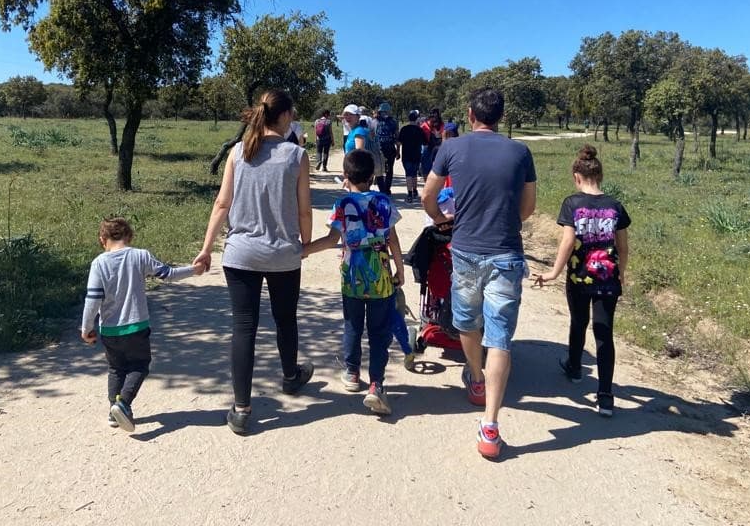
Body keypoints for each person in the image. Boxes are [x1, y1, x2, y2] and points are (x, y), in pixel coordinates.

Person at [421, 88, 537, 459]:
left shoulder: (451, 149)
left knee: (466, 321)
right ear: (500, 116)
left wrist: (442, 220)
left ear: (470, 114)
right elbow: (529, 207)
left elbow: (427, 196)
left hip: (466, 251)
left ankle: (475, 377)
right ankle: (490, 427)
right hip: (506, 252)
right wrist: (504, 221)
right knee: (500, 336)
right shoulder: (521, 152)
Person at [194, 89, 314, 435]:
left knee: (243, 328)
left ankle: (242, 408)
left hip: (241, 253)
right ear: (287, 115)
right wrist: (304, 244)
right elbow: (304, 209)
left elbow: (221, 204)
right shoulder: (297, 155)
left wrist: (206, 248)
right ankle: (290, 376)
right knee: (285, 319)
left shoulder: (238, 151)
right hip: (283, 254)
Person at [304, 149, 405, 415]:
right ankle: (376, 384)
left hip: (351, 278)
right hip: (381, 277)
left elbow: (330, 241)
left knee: (352, 326)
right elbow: (393, 240)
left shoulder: (342, 205)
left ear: (345, 176)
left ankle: (351, 373)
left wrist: (304, 250)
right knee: (379, 331)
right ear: (373, 176)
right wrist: (400, 270)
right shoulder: (384, 202)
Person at [532, 145, 631, 418]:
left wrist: (553, 272)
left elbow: (567, 241)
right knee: (604, 333)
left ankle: (575, 368)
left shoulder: (572, 204)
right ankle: (606, 395)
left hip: (578, 276)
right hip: (608, 278)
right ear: (600, 175)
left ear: (577, 176)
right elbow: (623, 247)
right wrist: (621, 271)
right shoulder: (615, 206)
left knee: (579, 322)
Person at [80, 217, 203, 432]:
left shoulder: (98, 263)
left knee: (115, 368)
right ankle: (123, 403)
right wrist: (194, 269)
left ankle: (113, 412)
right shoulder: (140, 256)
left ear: (102, 240)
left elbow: (93, 298)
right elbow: (169, 274)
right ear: (129, 237)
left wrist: (86, 328)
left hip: (109, 329)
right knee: (139, 365)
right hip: (136, 327)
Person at [398, 110, 424, 204]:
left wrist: (397, 152)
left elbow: (399, 142)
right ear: (416, 119)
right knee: (414, 173)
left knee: (408, 174)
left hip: (406, 154)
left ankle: (409, 194)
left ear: (408, 119)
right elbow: (424, 142)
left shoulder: (404, 129)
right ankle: (415, 190)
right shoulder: (419, 130)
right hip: (416, 154)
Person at [374, 102, 400, 196]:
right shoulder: (392, 122)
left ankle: (385, 189)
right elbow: (397, 137)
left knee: (382, 169)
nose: (384, 113)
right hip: (384, 148)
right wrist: (398, 150)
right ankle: (385, 188)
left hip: (383, 149)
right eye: (383, 112)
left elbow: (397, 137)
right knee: (387, 169)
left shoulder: (376, 121)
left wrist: (397, 150)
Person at [419, 108, 445, 180]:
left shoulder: (425, 125)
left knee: (429, 167)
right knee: (432, 166)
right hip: (433, 147)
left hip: (432, 147)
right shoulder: (440, 124)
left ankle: (428, 181)